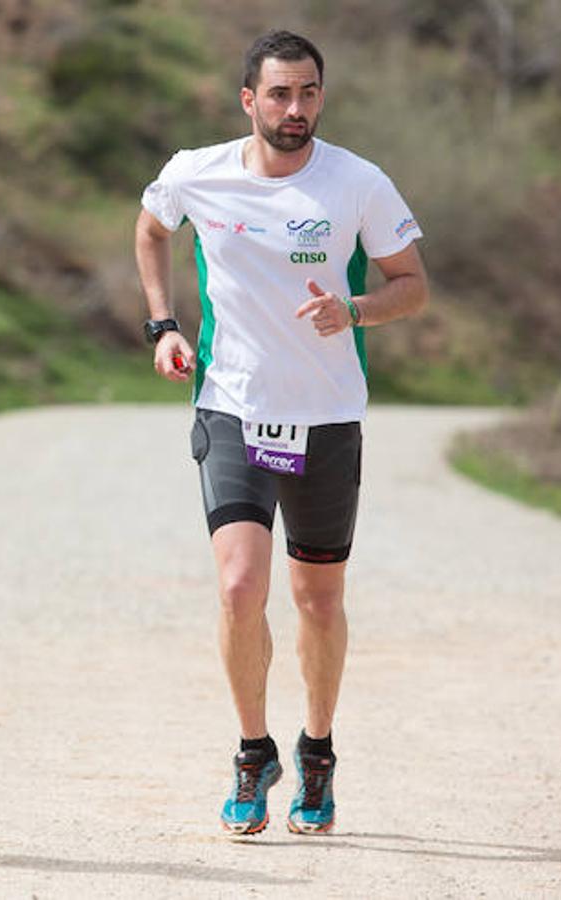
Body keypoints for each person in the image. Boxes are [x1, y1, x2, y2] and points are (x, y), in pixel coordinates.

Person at [134, 29, 428, 836]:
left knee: (317, 601)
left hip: (327, 417)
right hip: (230, 405)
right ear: (248, 100)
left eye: (307, 94)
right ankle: (251, 749)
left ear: (320, 98)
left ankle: (318, 751)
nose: (293, 109)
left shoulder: (358, 183)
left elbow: (412, 285)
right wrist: (162, 324)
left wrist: (354, 310)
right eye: (278, 94)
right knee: (237, 586)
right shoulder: (197, 172)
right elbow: (152, 228)